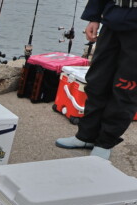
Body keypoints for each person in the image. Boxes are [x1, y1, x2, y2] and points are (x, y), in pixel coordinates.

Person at [55, 0, 137, 160]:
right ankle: (86, 136)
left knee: (125, 88)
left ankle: (105, 142)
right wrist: (94, 18)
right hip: (112, 20)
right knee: (97, 81)